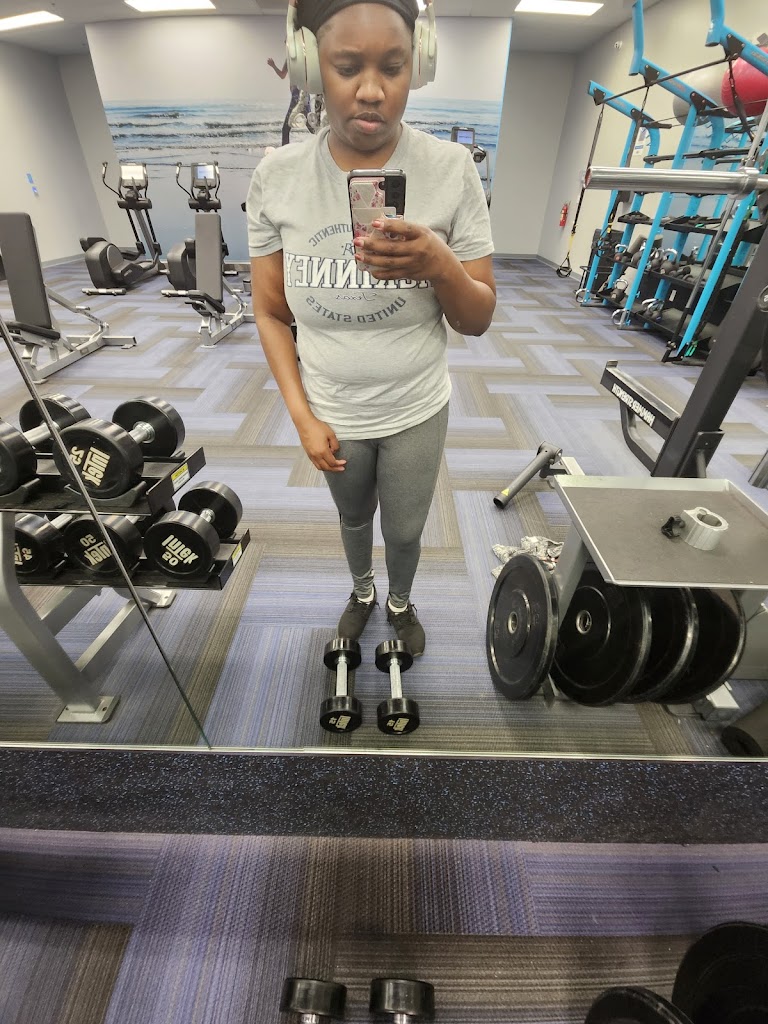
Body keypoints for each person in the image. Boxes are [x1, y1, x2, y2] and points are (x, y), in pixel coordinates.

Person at [248, 0, 496, 657]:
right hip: (332, 406)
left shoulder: (451, 169)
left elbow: (477, 318)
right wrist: (302, 416)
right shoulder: (277, 177)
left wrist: (440, 265)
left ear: (419, 67)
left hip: (416, 405)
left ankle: (400, 601)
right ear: (309, 66)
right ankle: (362, 591)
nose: (371, 89)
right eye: (347, 66)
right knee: (354, 517)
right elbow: (270, 312)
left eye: (392, 67)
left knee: (406, 531)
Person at [267, 53, 312, 145]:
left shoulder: (301, 58)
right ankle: (326, 143)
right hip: (304, 94)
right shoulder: (289, 59)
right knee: (311, 126)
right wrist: (273, 66)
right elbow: (282, 75)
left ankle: (285, 150)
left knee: (286, 128)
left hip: (298, 95)